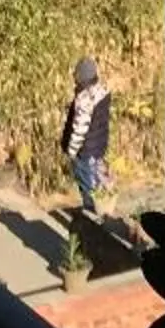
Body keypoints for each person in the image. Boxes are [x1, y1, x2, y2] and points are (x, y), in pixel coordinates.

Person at [62, 57, 113, 215]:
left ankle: (92, 216)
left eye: (76, 75)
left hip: (85, 150)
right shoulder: (101, 92)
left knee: (87, 186)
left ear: (81, 76)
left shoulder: (84, 99)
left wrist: (71, 152)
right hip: (98, 147)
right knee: (97, 183)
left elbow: (79, 130)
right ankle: (101, 214)